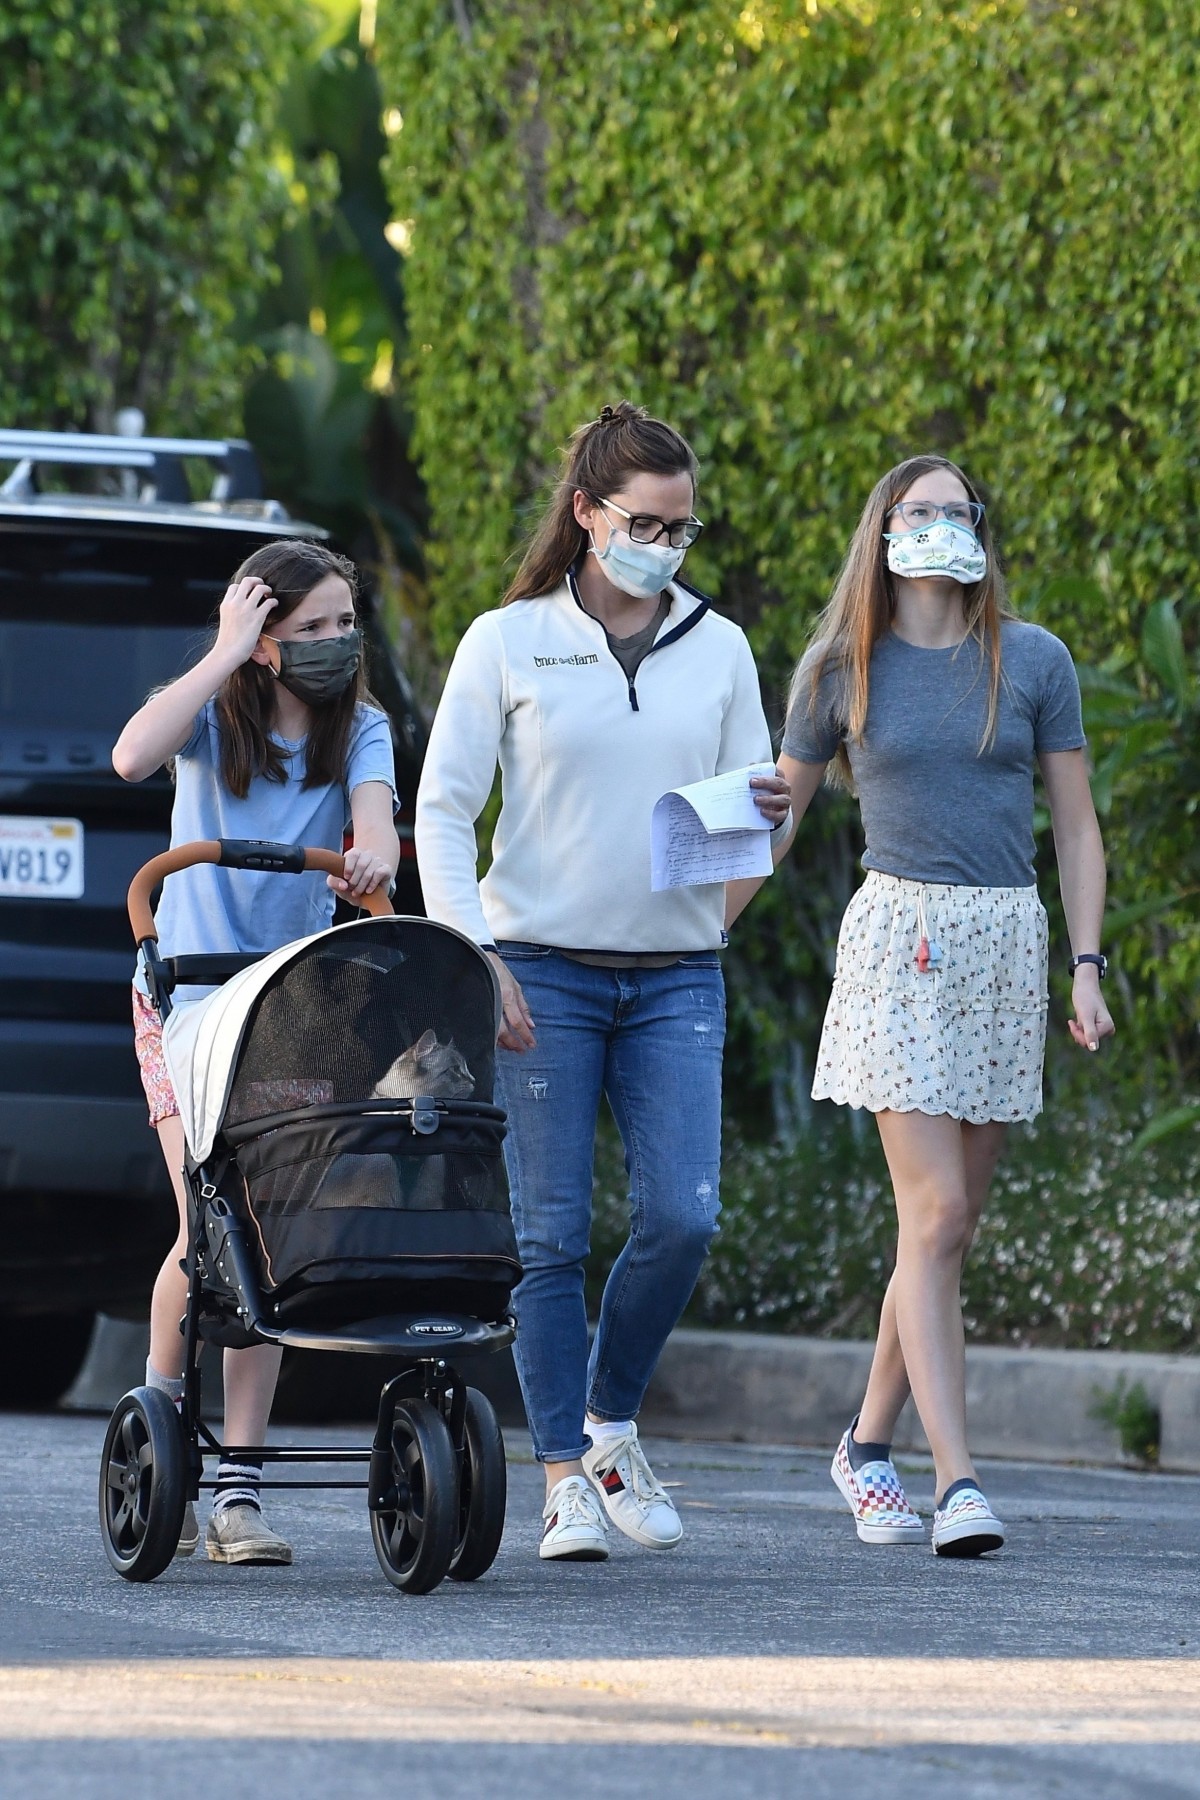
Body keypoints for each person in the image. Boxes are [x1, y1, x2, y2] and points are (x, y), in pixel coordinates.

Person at [415, 401, 792, 1561]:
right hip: (539, 972)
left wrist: (760, 819)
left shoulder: (719, 648)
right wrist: (477, 957)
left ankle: (611, 1419)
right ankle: (563, 1478)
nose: (667, 548)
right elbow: (441, 812)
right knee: (550, 1237)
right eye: (646, 524)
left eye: (683, 530)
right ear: (586, 515)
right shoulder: (506, 640)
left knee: (683, 1216)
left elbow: (740, 831)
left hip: (677, 977)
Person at [776, 453, 1114, 1556]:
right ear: (882, 531)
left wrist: (1087, 964)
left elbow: (1074, 826)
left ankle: (864, 1446)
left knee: (948, 1228)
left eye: (954, 510)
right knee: (933, 1219)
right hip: (900, 945)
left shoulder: (1034, 661)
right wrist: (703, 915)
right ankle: (956, 1480)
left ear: (979, 528)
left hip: (1005, 943)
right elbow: (777, 823)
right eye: (915, 510)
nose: (936, 525)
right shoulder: (839, 667)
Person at [112, 539, 398, 1565]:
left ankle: (238, 1487)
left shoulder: (360, 729)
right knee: (208, 1222)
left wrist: (371, 858)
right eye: (310, 627)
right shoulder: (211, 717)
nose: (333, 641)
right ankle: (165, 1429)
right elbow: (132, 757)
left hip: (288, 1008)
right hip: (186, 996)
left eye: (342, 622)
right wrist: (224, 650)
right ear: (268, 639)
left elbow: (376, 831)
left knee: (267, 1233)